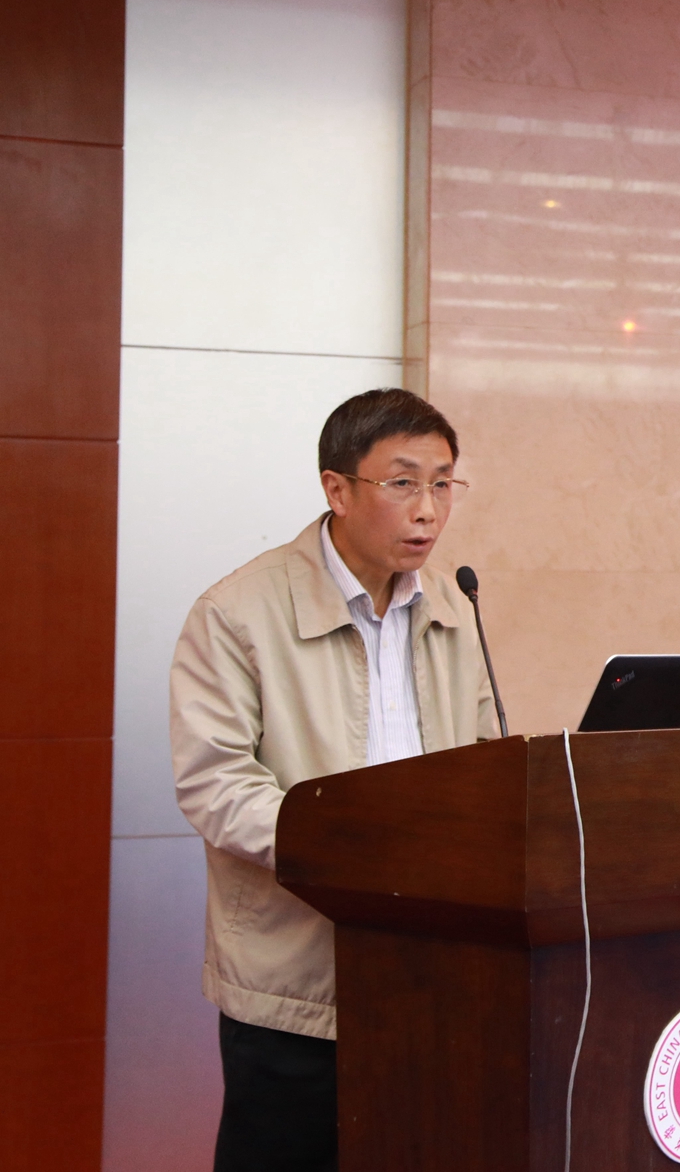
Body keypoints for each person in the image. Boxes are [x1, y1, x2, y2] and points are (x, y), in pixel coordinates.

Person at [170, 388, 498, 1171]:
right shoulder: (238, 611)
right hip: (297, 984)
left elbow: (486, 758)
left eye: (442, 483)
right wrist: (353, 850)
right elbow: (216, 784)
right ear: (337, 489)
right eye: (403, 482)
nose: (428, 510)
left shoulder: (453, 607)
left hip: (430, 968)